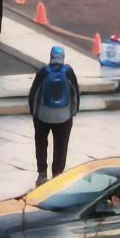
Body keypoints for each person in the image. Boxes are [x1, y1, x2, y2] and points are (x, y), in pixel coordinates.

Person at [28, 46, 80, 185]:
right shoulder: (68, 71)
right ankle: (57, 174)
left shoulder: (43, 72)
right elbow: (75, 93)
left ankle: (42, 175)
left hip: (43, 116)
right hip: (64, 117)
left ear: (50, 57)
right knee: (61, 145)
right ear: (63, 58)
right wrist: (73, 112)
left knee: (41, 144)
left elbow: (33, 93)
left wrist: (34, 113)